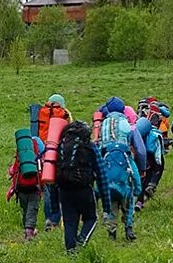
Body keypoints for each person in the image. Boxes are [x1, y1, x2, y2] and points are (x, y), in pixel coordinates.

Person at [54, 121, 114, 252]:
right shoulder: (90, 147)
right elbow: (102, 175)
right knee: (91, 218)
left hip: (64, 190)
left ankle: (71, 251)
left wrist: (53, 207)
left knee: (70, 222)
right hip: (84, 190)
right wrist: (106, 205)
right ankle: (81, 244)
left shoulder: (60, 146)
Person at [99, 140, 142, 241]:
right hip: (125, 189)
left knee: (112, 211)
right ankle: (129, 229)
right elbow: (135, 174)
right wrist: (137, 190)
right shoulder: (127, 157)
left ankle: (111, 233)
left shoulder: (106, 157)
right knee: (128, 209)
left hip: (110, 188)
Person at [39, 94, 70, 230]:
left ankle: (48, 219)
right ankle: (56, 218)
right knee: (59, 188)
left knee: (47, 188)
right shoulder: (63, 114)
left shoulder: (41, 112)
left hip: (42, 153)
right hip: (57, 154)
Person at [7, 134, 46, 241]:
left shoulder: (21, 154)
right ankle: (29, 232)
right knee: (32, 210)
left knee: (25, 209)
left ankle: (27, 229)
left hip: (20, 188)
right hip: (35, 187)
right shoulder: (38, 150)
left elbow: (13, 170)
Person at [98, 96, 147, 175]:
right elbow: (141, 150)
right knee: (136, 177)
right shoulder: (130, 126)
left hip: (105, 158)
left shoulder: (102, 124)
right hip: (123, 157)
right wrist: (142, 168)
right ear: (123, 110)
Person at [134, 117, 165, 209]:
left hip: (140, 158)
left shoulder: (136, 134)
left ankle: (137, 200)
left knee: (141, 178)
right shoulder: (155, 134)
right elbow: (158, 153)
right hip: (151, 158)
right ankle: (141, 200)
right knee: (147, 178)